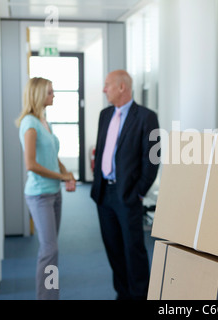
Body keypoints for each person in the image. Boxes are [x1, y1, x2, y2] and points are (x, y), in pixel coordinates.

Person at [90, 70, 160, 300]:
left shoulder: (147, 117)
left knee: (133, 251)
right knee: (114, 250)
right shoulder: (105, 114)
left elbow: (152, 158)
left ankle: (140, 295)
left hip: (128, 195)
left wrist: (139, 192)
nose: (104, 89)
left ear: (122, 87)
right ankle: (122, 294)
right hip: (104, 194)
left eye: (107, 84)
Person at [16, 77, 76, 300]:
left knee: (51, 249)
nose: (54, 95)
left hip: (54, 193)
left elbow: (52, 156)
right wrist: (61, 176)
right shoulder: (29, 124)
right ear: (39, 94)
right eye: (50, 92)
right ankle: (47, 297)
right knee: (49, 251)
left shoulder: (44, 121)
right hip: (39, 194)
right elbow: (31, 164)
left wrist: (66, 172)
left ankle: (51, 295)